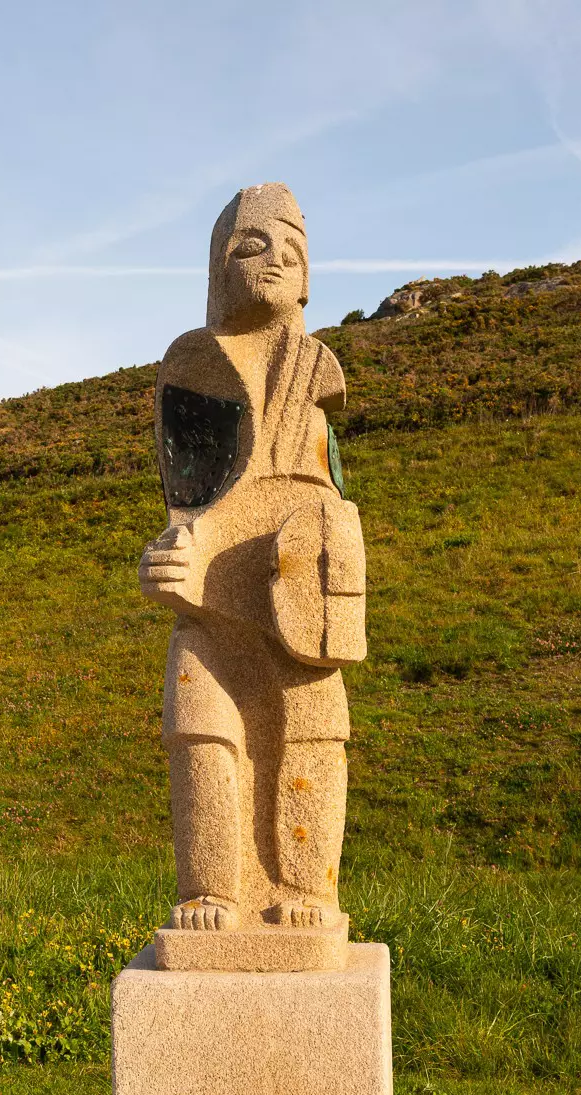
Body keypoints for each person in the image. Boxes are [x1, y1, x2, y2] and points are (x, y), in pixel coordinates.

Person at [138, 183, 366, 944]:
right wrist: (172, 561)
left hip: (293, 607)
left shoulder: (318, 373)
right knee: (201, 723)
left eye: (293, 252)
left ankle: (304, 886)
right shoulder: (193, 368)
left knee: (313, 721)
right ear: (217, 267)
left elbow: (327, 507)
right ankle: (213, 886)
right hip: (211, 608)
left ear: (309, 280)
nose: (273, 262)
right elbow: (186, 509)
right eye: (251, 246)